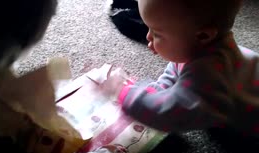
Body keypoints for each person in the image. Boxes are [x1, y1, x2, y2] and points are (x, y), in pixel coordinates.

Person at [106, 0, 259, 136]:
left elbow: (171, 115)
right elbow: (175, 71)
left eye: (157, 33)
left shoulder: (207, 76)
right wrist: (155, 91)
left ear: (203, 36)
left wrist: (127, 95)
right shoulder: (194, 48)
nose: (148, 37)